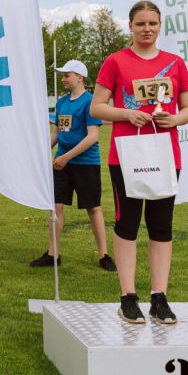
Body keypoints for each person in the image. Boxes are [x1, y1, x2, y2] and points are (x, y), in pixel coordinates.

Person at [91, 0, 188, 325]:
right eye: (140, 23)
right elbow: (97, 107)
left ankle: (159, 298)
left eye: (152, 23)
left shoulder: (175, 63)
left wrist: (174, 119)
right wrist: (127, 114)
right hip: (126, 156)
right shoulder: (115, 61)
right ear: (130, 26)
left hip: (165, 155)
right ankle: (128, 298)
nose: (147, 29)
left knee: (162, 225)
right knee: (128, 223)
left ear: (160, 26)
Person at [31, 60, 116, 272]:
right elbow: (57, 133)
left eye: (66, 75)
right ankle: (53, 254)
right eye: (62, 75)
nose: (63, 79)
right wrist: (41, 153)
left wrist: (66, 157)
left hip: (85, 164)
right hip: (61, 163)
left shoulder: (90, 102)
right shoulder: (61, 102)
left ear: (80, 77)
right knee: (55, 208)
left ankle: (104, 255)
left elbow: (92, 136)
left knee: (93, 208)